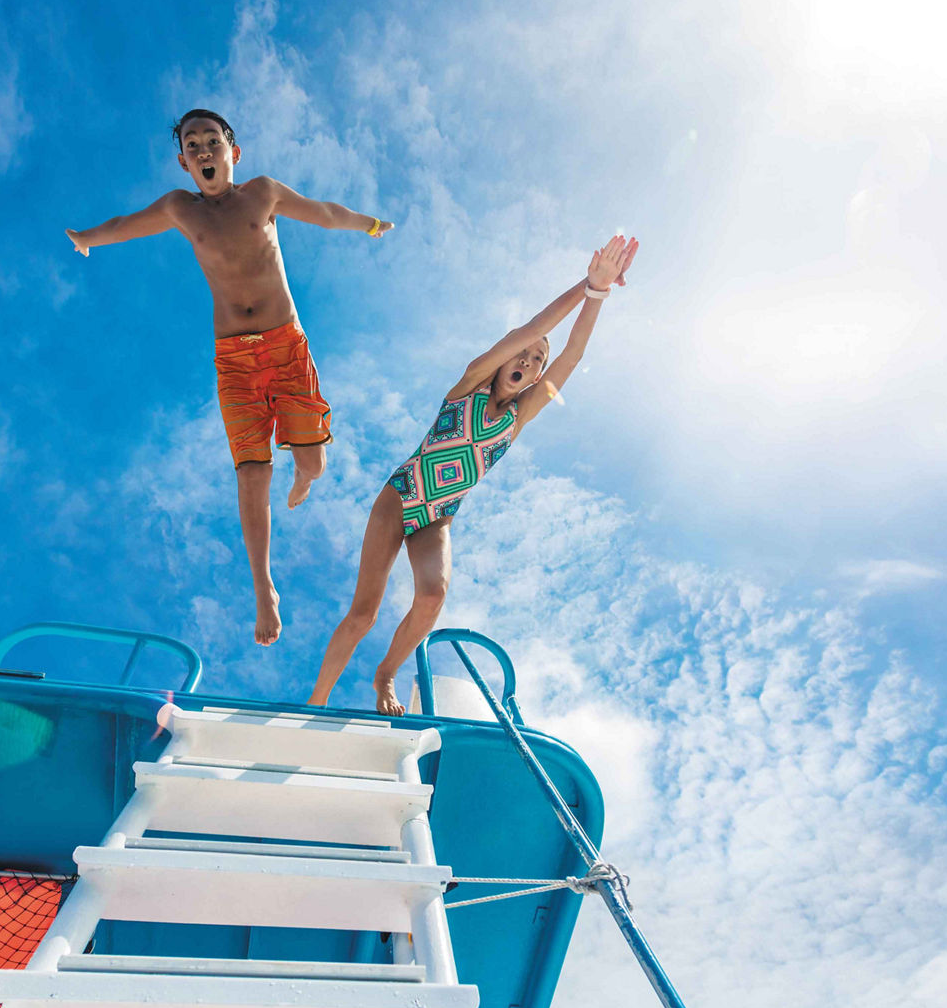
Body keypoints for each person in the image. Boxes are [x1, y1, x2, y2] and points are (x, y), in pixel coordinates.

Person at [66, 109, 393, 646]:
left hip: (286, 348)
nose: (202, 151)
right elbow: (126, 225)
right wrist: (87, 237)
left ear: (232, 153)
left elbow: (326, 213)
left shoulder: (262, 194)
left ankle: (306, 472)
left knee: (312, 460)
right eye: (192, 145)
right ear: (183, 162)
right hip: (234, 361)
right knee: (250, 471)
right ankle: (264, 586)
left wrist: (369, 223)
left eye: (211, 141)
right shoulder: (179, 208)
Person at [307, 232, 639, 714]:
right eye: (523, 355)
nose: (528, 361)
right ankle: (315, 701)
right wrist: (585, 284)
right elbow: (528, 331)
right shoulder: (468, 385)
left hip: (438, 515)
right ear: (503, 360)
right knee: (364, 613)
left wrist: (599, 296)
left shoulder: (517, 420)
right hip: (401, 497)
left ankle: (385, 674)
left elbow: (572, 356)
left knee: (433, 596)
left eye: (536, 362)